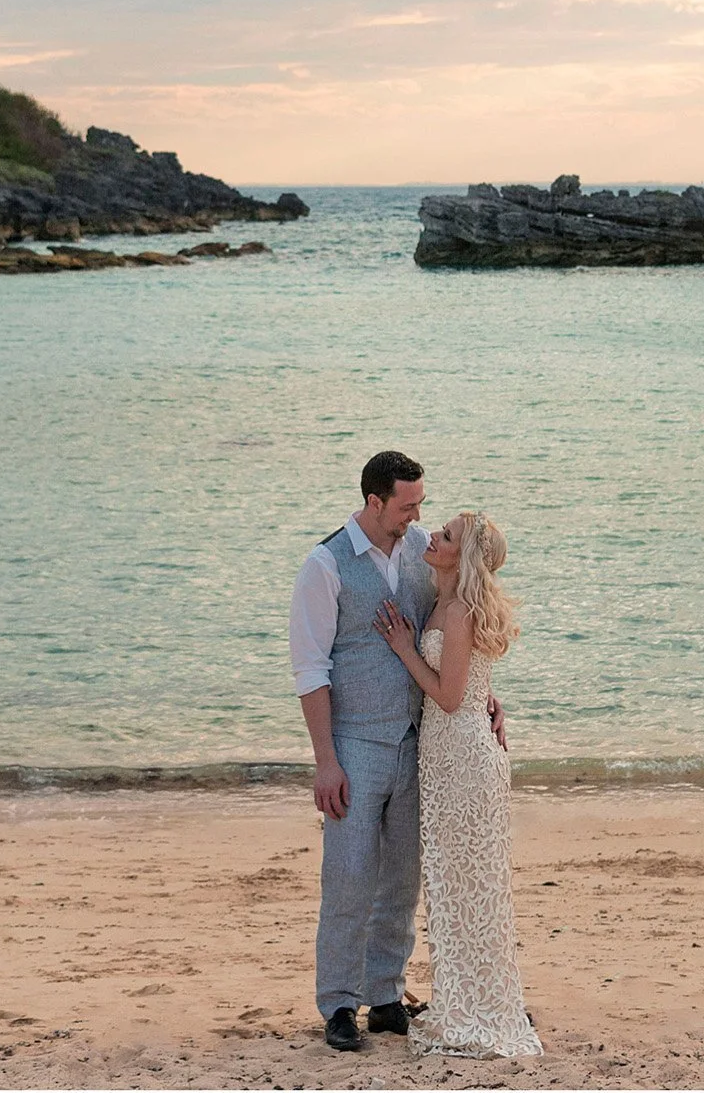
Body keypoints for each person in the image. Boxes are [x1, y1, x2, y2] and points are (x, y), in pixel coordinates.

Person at [289, 451, 504, 1052]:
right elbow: (310, 670)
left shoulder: (419, 553)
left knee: (401, 881)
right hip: (355, 743)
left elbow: (450, 637)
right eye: (407, 506)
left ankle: (384, 995)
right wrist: (325, 759)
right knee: (349, 876)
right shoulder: (324, 565)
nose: (417, 516)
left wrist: (488, 696)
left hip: (419, 743)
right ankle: (337, 1002)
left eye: (421, 505)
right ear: (374, 501)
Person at [374, 511, 542, 1058]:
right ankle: (466, 996)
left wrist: (403, 648)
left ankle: (477, 1005)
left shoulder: (459, 609)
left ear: (460, 556)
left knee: (467, 886)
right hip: (452, 754)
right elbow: (468, 686)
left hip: (463, 758)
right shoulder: (445, 600)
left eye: (445, 536)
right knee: (456, 884)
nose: (433, 538)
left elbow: (448, 696)